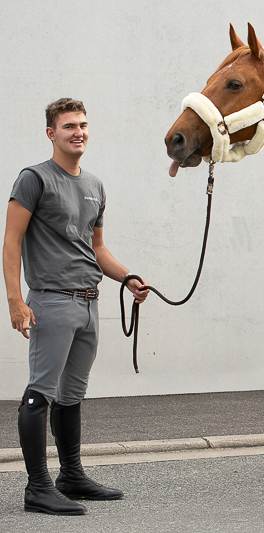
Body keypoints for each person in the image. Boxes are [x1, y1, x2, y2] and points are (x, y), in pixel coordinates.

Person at [2, 98, 149, 515]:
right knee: (40, 393)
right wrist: (15, 300)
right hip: (51, 300)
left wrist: (129, 277)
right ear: (52, 133)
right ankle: (37, 488)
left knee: (72, 395)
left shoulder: (95, 186)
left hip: (88, 303)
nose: (78, 132)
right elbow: (11, 242)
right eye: (68, 126)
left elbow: (96, 248)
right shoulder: (34, 179)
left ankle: (71, 475)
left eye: (83, 124)